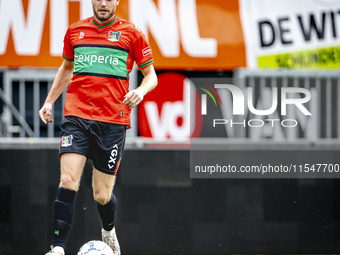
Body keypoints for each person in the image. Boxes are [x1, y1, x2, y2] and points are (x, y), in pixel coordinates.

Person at [39, 0, 157, 254]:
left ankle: (108, 229)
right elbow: (67, 68)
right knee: (68, 180)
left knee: (101, 195)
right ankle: (57, 248)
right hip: (77, 118)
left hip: (112, 122)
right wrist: (49, 101)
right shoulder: (75, 31)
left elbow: (151, 75)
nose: (103, 3)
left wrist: (139, 91)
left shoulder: (132, 33)